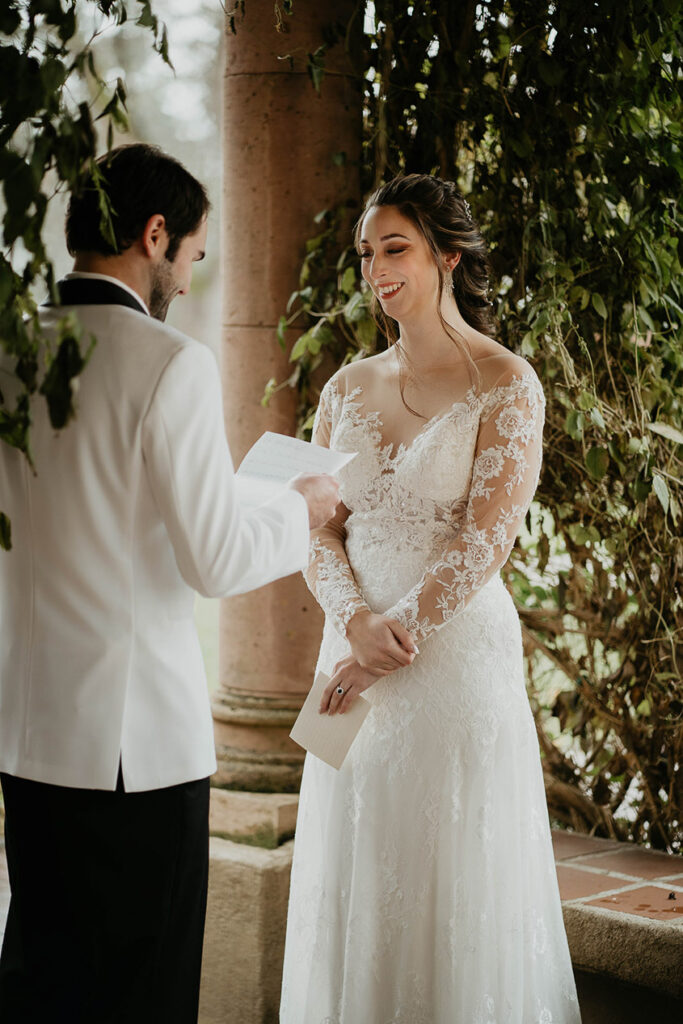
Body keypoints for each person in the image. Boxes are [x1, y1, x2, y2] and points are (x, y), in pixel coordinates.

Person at [0, 143, 339, 1024]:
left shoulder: (10, 351)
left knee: (41, 985)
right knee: (138, 997)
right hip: (134, 752)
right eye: (191, 256)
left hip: (31, 738)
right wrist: (301, 508)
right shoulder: (168, 362)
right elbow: (215, 559)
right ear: (155, 235)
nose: (188, 282)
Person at [280, 174, 581, 1023]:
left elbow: (486, 537)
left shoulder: (506, 381)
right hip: (347, 656)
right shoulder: (343, 388)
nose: (375, 267)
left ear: (447, 254)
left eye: (395, 247)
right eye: (367, 253)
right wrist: (353, 624)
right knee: (359, 866)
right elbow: (317, 529)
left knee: (452, 874)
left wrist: (395, 634)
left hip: (450, 663)